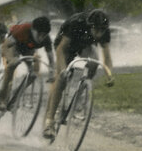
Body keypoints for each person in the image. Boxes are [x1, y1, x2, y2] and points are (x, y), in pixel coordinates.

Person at [42, 8, 115, 141]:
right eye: (96, 30)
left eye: (102, 30)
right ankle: (49, 121)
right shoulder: (76, 24)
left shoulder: (104, 31)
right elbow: (61, 49)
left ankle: (80, 94)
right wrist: (63, 70)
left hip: (84, 45)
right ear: (90, 26)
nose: (99, 34)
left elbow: (107, 55)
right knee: (62, 78)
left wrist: (109, 74)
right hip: (65, 45)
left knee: (94, 63)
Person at [0, 16, 54, 112]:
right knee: (11, 66)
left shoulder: (46, 39)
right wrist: (11, 59)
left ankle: (15, 97)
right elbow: (6, 46)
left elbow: (51, 59)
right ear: (33, 30)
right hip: (14, 45)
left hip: (28, 48)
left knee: (33, 74)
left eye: (44, 35)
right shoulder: (23, 29)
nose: (41, 38)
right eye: (39, 34)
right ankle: (1, 98)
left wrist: (52, 71)